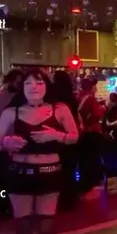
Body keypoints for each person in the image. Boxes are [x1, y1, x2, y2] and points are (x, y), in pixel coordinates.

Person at [0, 69, 80, 234]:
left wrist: (56, 135)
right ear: (22, 88)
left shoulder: (59, 109)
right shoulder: (11, 112)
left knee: (46, 227)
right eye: (28, 83)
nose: (33, 87)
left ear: (46, 86)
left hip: (49, 172)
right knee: (22, 226)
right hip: (19, 173)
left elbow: (74, 136)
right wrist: (7, 142)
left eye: (38, 83)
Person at [50, 71, 82, 211]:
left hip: (58, 136)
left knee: (59, 168)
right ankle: (70, 198)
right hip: (72, 136)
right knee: (69, 168)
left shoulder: (54, 99)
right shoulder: (72, 97)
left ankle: (61, 198)